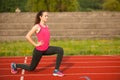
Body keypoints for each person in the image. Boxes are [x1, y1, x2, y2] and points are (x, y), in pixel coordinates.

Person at [11, 10, 64, 77]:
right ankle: (15, 65)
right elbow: (27, 36)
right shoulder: (37, 26)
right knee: (31, 68)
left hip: (46, 49)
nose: (47, 17)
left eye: (47, 16)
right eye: (45, 16)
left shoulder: (46, 26)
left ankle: (56, 70)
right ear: (40, 17)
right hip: (39, 51)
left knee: (60, 50)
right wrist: (35, 44)